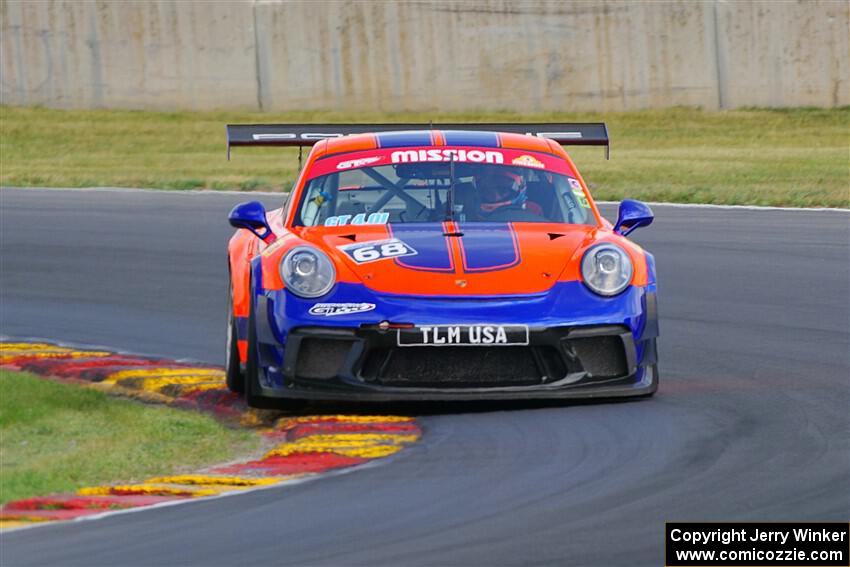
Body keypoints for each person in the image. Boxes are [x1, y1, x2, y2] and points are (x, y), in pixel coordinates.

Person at [474, 170, 544, 220]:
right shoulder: (472, 212)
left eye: (503, 191)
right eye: (489, 193)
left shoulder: (533, 209)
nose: (496, 197)